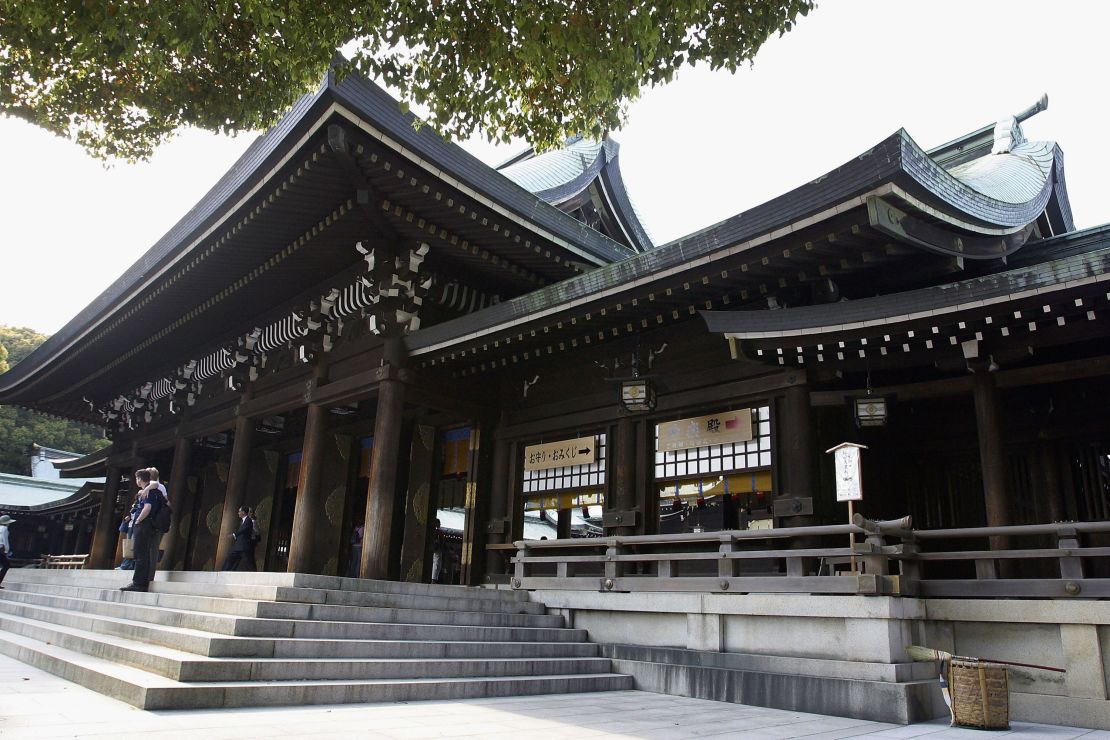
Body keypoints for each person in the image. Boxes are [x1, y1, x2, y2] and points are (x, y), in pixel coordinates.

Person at [120, 469, 163, 592]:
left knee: (140, 554)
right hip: (148, 525)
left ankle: (138, 582)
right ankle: (141, 582)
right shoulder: (151, 490)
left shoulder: (148, 492)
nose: (136, 481)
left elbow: (147, 507)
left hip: (144, 525)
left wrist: (138, 520)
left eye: (137, 478)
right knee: (143, 554)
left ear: (139, 478)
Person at [222, 505, 256, 571]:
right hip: (239, 546)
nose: (238, 513)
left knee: (249, 563)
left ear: (243, 512)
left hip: (243, 546)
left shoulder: (248, 520)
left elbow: (243, 530)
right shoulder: (243, 521)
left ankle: (255, 574)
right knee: (230, 559)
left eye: (239, 511)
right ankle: (224, 572)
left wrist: (234, 535)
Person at [0, 514, 15, 589]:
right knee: (6, 565)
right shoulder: (5, 529)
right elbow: (5, 540)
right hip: (1, 548)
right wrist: (7, 550)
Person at [431, 518, 444, 583]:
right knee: (437, 563)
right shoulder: (438, 531)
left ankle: (435, 578)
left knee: (437, 564)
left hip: (436, 548)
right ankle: (434, 578)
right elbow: (440, 540)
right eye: (439, 523)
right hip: (437, 548)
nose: (439, 524)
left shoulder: (435, 531)